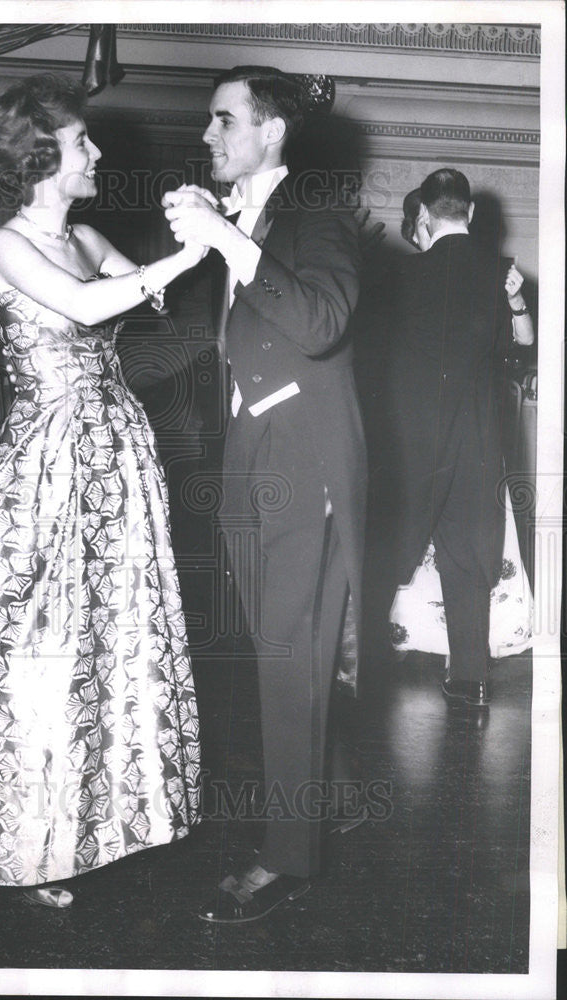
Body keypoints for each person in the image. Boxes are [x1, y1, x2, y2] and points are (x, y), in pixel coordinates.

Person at [0, 74, 203, 909]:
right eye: (83, 140)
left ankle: (103, 827)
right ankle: (25, 848)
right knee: (40, 648)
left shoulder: (86, 234)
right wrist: (192, 249)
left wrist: (199, 230)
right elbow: (91, 306)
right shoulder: (7, 247)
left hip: (117, 447)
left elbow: (157, 292)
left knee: (116, 639)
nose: (96, 152)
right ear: (42, 153)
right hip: (48, 461)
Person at [162, 65, 365, 924]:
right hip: (249, 456)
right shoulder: (240, 222)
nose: (208, 137)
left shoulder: (316, 216)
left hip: (300, 460)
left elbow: (319, 323)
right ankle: (325, 799)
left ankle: (289, 859)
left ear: (270, 131)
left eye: (222, 122)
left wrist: (227, 239)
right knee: (282, 653)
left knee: (287, 659)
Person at [383, 168, 522, 711]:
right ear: (472, 214)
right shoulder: (499, 274)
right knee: (466, 558)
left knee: (386, 546)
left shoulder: (401, 276)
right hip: (479, 438)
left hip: (412, 435)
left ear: (422, 216)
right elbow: (515, 354)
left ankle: (357, 670)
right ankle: (469, 679)